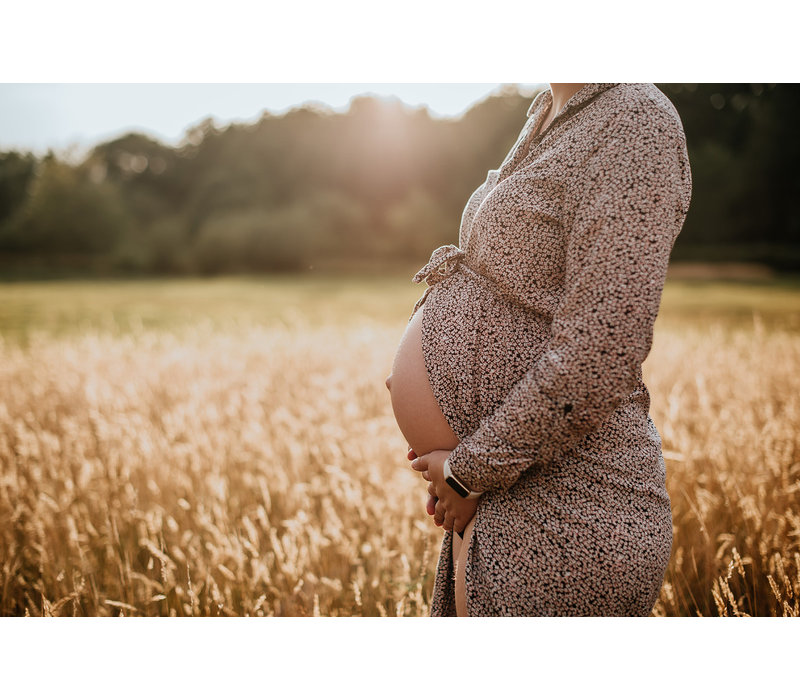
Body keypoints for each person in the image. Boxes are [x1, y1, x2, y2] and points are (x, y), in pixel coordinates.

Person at [392, 83, 692, 616]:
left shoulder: (637, 120)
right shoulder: (548, 108)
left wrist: (470, 469)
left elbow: (604, 344)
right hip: (505, 493)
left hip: (567, 506)